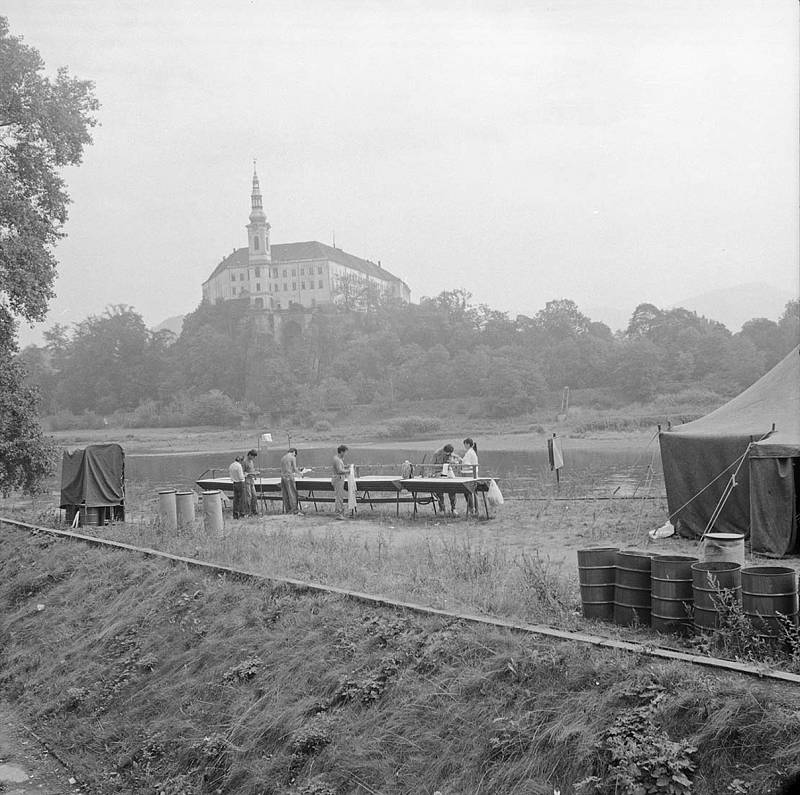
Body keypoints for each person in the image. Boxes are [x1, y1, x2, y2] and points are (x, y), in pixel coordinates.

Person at [431, 443, 458, 515]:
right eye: (447, 453)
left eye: (449, 454)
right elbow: (432, 465)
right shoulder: (437, 453)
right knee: (439, 490)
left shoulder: (451, 454)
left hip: (448, 471)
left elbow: (457, 460)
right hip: (439, 472)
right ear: (444, 450)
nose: (448, 455)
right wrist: (438, 471)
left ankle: (453, 508)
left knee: (452, 488)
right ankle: (442, 508)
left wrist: (454, 462)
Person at [280, 448, 303, 515]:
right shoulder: (292, 457)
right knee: (292, 493)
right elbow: (295, 469)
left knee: (285, 494)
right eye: (295, 454)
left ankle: (288, 510)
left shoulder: (283, 457)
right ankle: (294, 510)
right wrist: (300, 473)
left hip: (283, 477)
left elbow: (286, 468)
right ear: (293, 452)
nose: (295, 456)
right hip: (289, 477)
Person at [461, 437, 479, 517]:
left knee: (468, 491)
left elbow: (467, 465)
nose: (464, 446)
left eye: (464, 444)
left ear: (467, 444)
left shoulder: (470, 453)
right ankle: (475, 508)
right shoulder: (471, 452)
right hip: (473, 473)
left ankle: (472, 508)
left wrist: (460, 463)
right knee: (473, 492)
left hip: (468, 474)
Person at [332, 445, 349, 519]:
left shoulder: (339, 459)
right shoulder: (337, 459)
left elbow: (340, 468)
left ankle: (341, 513)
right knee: (339, 497)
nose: (346, 454)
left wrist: (346, 467)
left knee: (340, 496)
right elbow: (339, 471)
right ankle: (338, 514)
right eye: (345, 452)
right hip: (338, 479)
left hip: (339, 479)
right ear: (341, 452)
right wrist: (348, 471)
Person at [243, 449, 259, 515]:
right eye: (253, 456)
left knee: (254, 496)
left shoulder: (251, 461)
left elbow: (252, 470)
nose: (254, 458)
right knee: (248, 496)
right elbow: (243, 473)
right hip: (247, 481)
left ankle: (254, 510)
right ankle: (247, 512)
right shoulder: (244, 461)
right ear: (249, 455)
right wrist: (251, 474)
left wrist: (255, 474)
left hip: (252, 480)